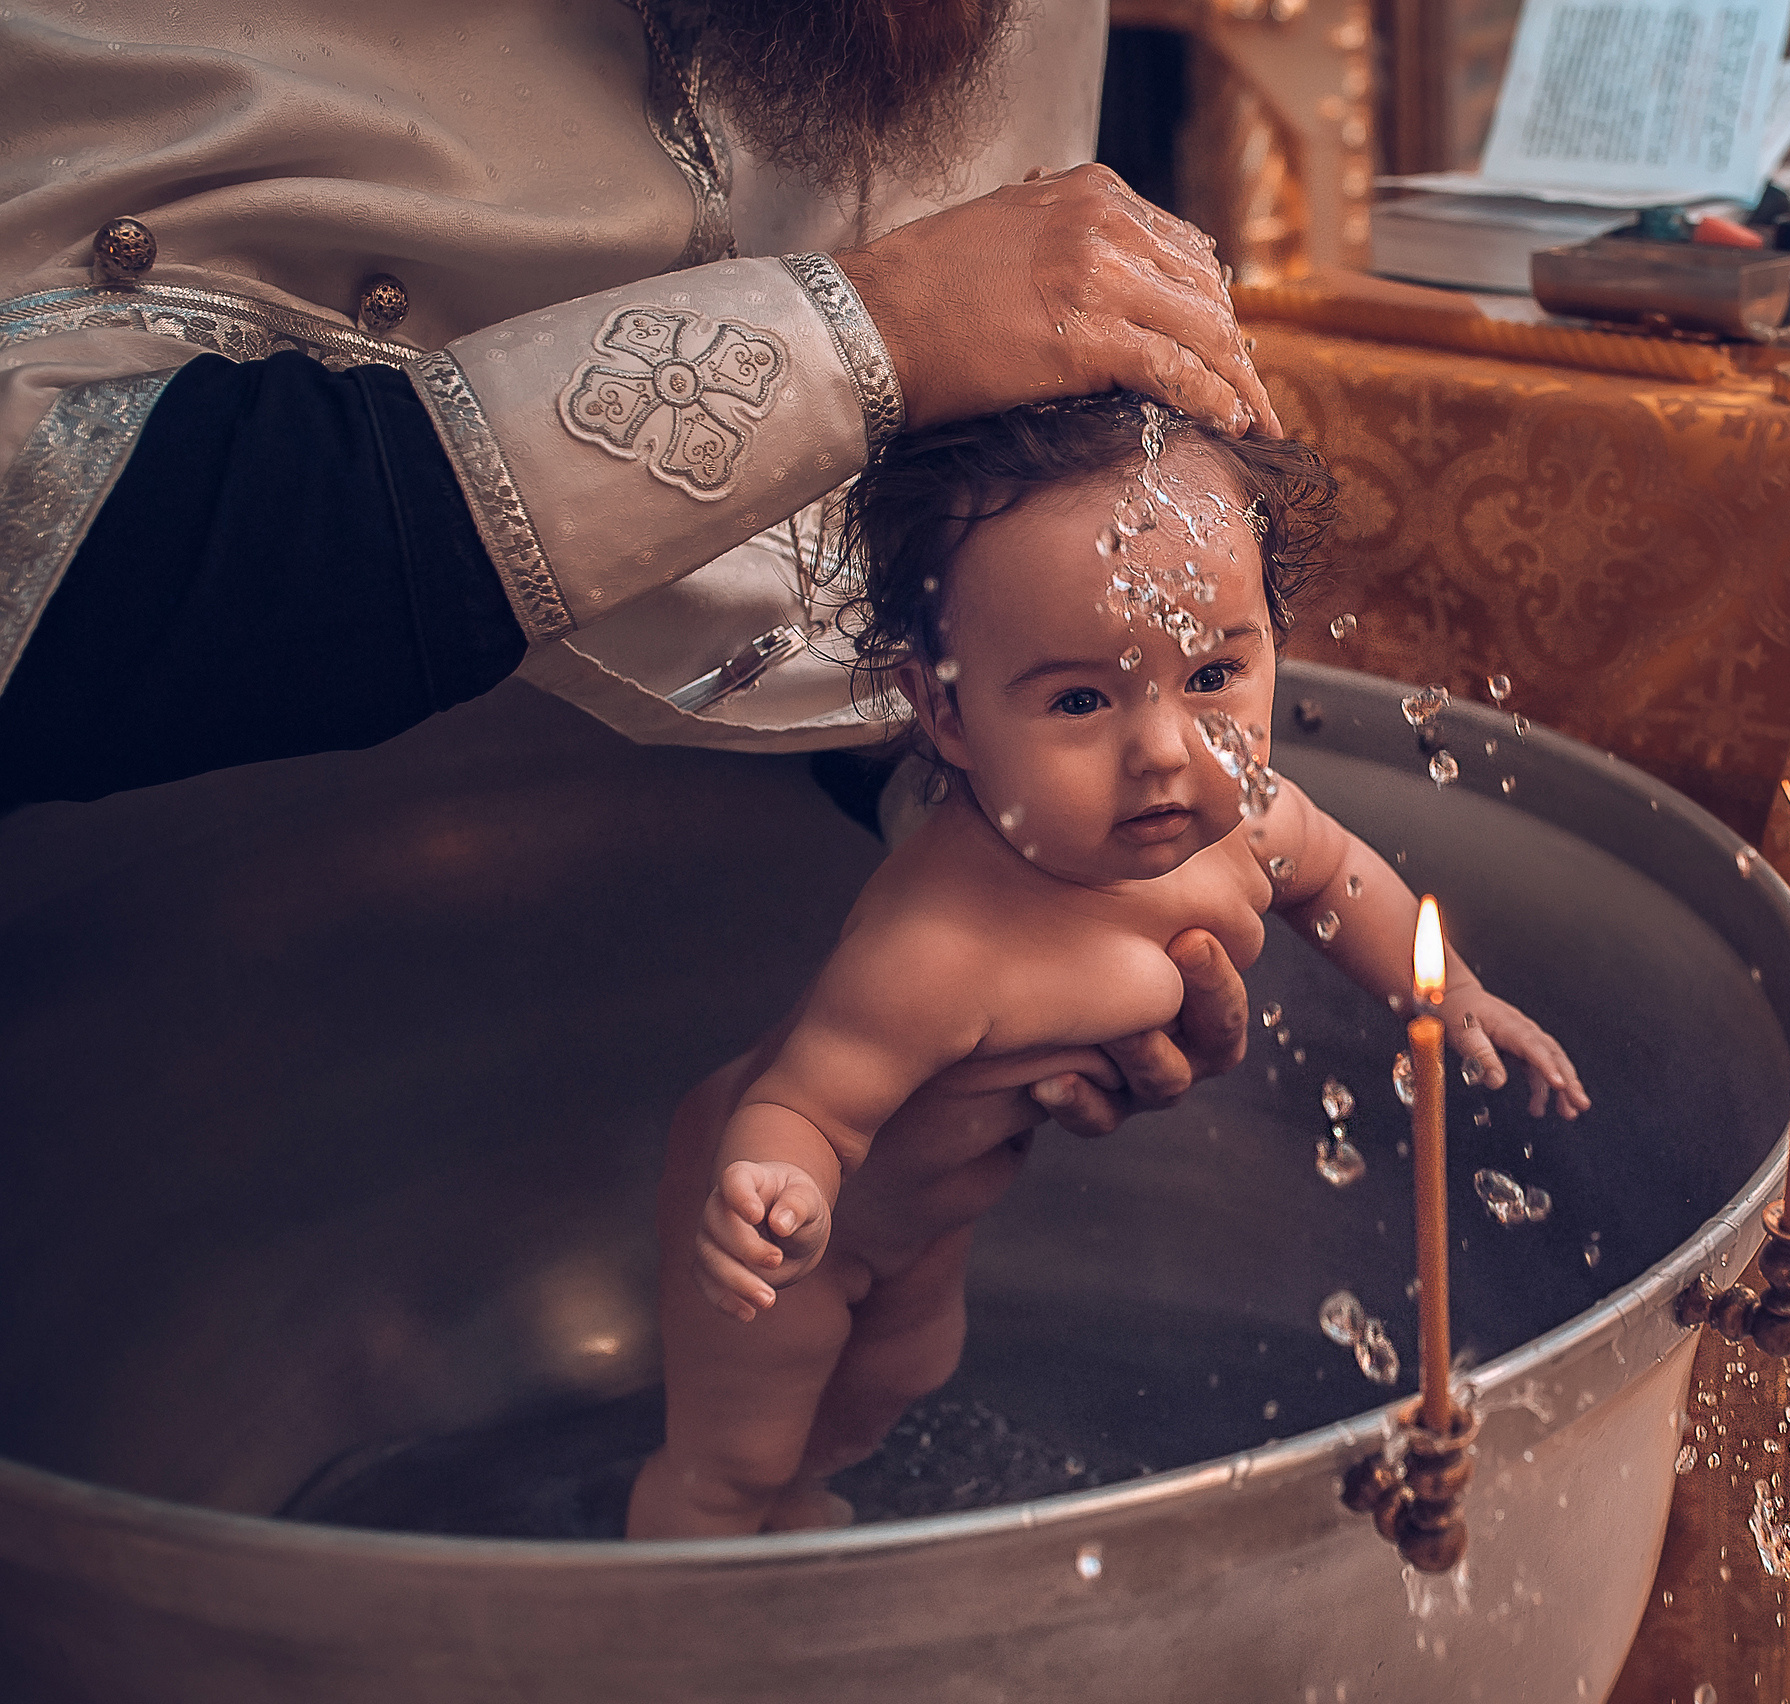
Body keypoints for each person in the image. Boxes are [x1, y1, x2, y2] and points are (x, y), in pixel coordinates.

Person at [0, 0, 1267, 1136]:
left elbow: (955, 515)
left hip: (764, 923)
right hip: (171, 991)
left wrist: (1008, 826)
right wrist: (874, 337)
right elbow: (57, 546)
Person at [624, 395, 1590, 1538]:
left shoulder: (1252, 819)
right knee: (734, 1455)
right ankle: (685, 1592)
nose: (1164, 751)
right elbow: (802, 1104)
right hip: (789, 1239)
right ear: (944, 709)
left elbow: (1339, 880)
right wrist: (769, 1190)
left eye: (1215, 676)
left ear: (1274, 646)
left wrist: (1453, 995)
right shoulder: (938, 946)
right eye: (1081, 699)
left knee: (895, 1385)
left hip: (926, 1233)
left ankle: (794, 1526)